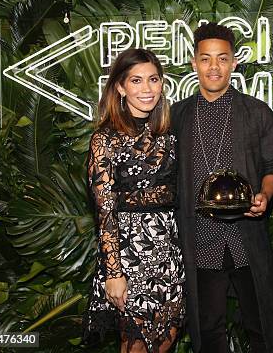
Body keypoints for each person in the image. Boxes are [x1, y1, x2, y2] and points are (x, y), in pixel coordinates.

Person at [171, 22, 273, 353]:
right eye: (205, 59)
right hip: (201, 239)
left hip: (245, 236)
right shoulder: (177, 116)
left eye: (222, 58)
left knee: (261, 324)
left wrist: (265, 194)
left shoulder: (257, 113)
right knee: (208, 332)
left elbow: (271, 168)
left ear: (234, 62)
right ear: (194, 63)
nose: (214, 67)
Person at [83, 48, 184, 353]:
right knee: (136, 347)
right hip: (129, 255)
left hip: (169, 254)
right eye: (136, 80)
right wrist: (114, 273)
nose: (147, 89)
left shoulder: (169, 135)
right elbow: (105, 211)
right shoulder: (105, 139)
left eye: (153, 79)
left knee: (166, 341)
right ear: (120, 87)